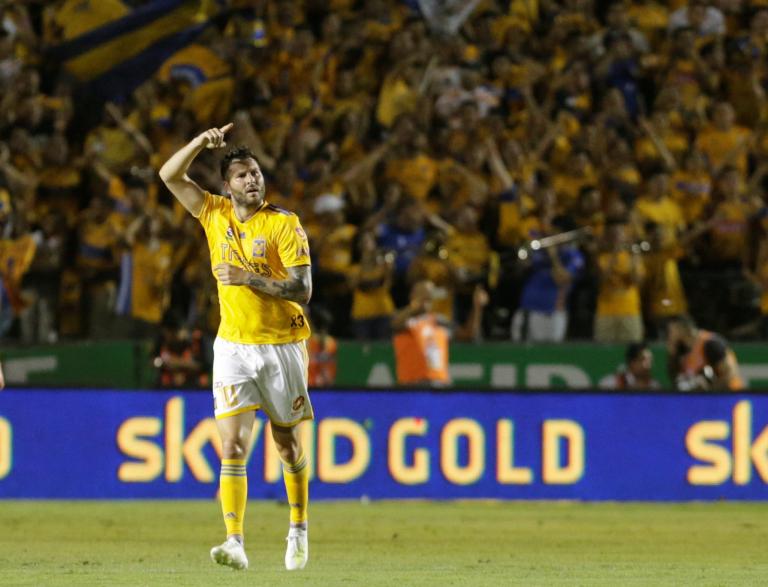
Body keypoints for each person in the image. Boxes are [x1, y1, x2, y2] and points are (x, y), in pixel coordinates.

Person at [159, 123, 313, 571]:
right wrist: (198, 143)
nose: (252, 180)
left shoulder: (284, 224)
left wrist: (249, 279)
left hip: (281, 345)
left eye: (256, 173)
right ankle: (234, 541)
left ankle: (298, 527)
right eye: (242, 175)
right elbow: (169, 176)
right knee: (232, 448)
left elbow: (302, 289)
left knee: (285, 444)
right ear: (227, 186)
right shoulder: (213, 213)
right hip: (232, 347)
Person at [391, 280, 450, 387]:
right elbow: (394, 324)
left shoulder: (439, 321)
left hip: (438, 384)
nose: (426, 297)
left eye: (429, 295)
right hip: (411, 384)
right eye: (423, 293)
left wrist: (477, 307)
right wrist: (413, 307)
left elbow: (467, 335)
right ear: (412, 295)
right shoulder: (404, 319)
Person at [666, 315, 744, 391]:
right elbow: (675, 381)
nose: (669, 335)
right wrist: (672, 354)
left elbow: (730, 375)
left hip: (730, 396)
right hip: (702, 398)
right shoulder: (681, 350)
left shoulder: (711, 344)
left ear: (682, 330)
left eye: (671, 331)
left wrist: (708, 391)